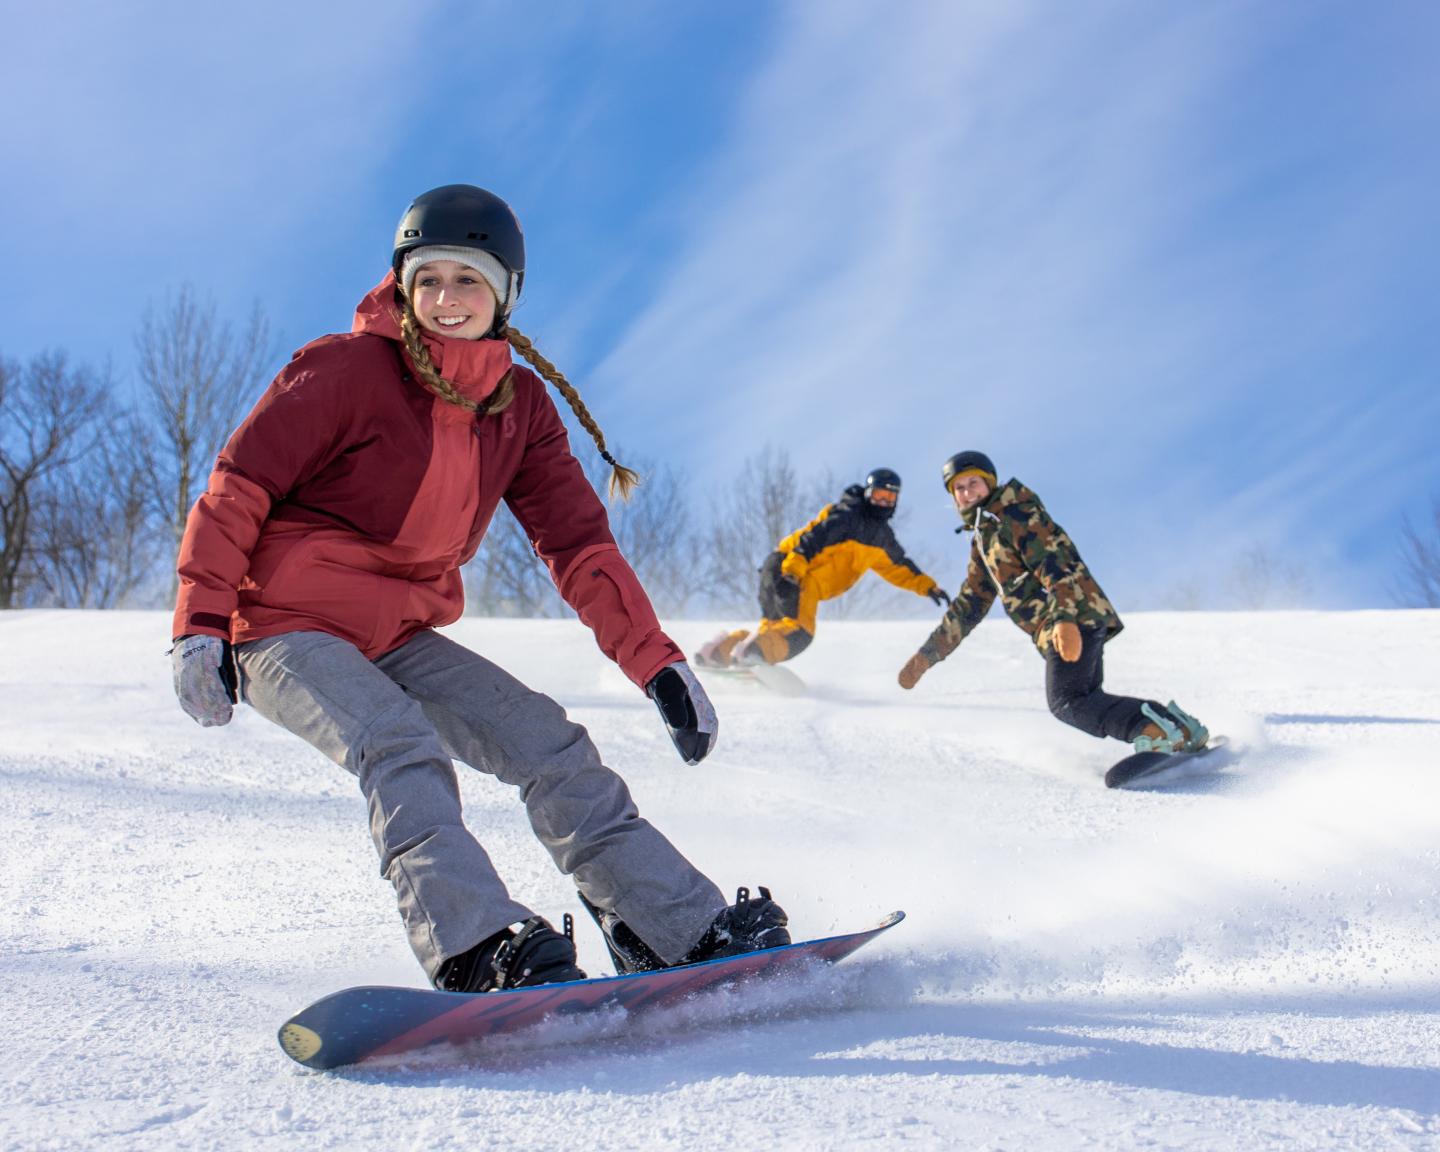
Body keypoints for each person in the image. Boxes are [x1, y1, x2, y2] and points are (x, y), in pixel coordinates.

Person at [170, 183, 788, 993]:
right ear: (402, 285)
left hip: (394, 634)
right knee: (397, 743)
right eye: (427, 279)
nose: (446, 298)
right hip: (281, 626)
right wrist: (200, 625)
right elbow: (237, 488)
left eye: (467, 279)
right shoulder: (343, 370)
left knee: (548, 742)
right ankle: (472, 946)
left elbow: (576, 543)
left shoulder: (519, 407)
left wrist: (656, 663)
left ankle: (670, 926)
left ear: (504, 294)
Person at [897, 451, 1208, 755]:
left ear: (989, 483)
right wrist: (927, 656)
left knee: (1068, 702)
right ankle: (1177, 727)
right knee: (1085, 697)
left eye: (973, 483)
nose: (967, 493)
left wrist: (1063, 619)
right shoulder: (985, 541)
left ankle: (1156, 732)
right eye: (959, 489)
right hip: (1067, 619)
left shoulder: (1014, 513)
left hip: (1072, 615)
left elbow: (1055, 562)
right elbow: (970, 605)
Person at [697, 469, 950, 667]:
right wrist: (793, 574)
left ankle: (720, 652)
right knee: (799, 635)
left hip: (775, 570)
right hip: (796, 576)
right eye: (878, 495)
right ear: (867, 493)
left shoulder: (881, 537)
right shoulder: (849, 516)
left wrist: (928, 587)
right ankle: (754, 653)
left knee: (773, 627)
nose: (883, 502)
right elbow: (812, 540)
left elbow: (900, 567)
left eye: (889, 497)